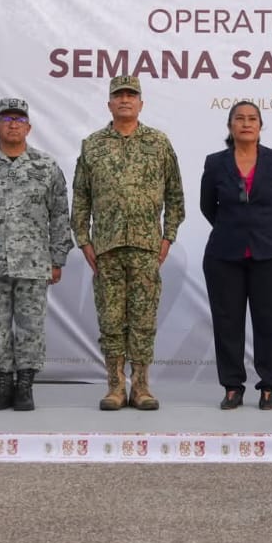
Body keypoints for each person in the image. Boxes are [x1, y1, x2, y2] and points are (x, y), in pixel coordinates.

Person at [71, 74, 185, 411]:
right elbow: (81, 198)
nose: (125, 100)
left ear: (140, 103)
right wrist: (84, 240)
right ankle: (115, 387)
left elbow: (175, 195)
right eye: (119, 95)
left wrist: (168, 237)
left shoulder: (158, 143)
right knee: (110, 321)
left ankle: (142, 387)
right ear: (109, 103)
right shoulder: (93, 145)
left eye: (131, 95)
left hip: (146, 248)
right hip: (106, 248)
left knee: (143, 321)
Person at [0, 97, 73, 411]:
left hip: (32, 263)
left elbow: (60, 214)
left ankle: (25, 387)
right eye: (6, 119)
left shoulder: (45, 166)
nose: (13, 124)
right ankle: (3, 385)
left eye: (19, 119)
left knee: (30, 328)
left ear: (28, 128)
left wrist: (57, 258)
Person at [200, 99, 272, 411]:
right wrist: (234, 229)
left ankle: (269, 386)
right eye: (239, 118)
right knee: (227, 322)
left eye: (252, 118)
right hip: (224, 254)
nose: (246, 123)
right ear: (230, 126)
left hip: (271, 254)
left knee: (268, 322)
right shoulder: (215, 163)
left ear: (260, 125)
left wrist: (264, 228)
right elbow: (207, 206)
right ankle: (232, 386)